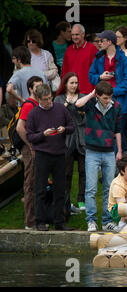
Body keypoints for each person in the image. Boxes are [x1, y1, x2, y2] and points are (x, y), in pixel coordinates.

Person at [75, 81, 123, 233]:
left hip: (109, 151)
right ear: (97, 96)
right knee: (91, 188)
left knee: (109, 188)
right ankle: (91, 220)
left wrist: (119, 151)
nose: (108, 100)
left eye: (110, 97)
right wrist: (91, 94)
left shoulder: (116, 107)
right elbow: (77, 104)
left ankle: (107, 220)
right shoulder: (90, 104)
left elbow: (118, 130)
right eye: (104, 98)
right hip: (92, 151)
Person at [26, 84, 75, 231]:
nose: (49, 101)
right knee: (40, 189)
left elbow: (72, 126)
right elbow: (30, 136)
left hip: (59, 153)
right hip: (42, 154)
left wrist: (64, 129)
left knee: (60, 189)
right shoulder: (34, 113)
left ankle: (59, 221)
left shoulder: (60, 108)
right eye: (46, 100)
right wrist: (43, 134)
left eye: (50, 98)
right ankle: (40, 221)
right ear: (39, 99)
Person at [89, 29, 127, 153]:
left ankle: (119, 163)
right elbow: (90, 76)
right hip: (101, 102)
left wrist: (112, 92)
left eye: (101, 41)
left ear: (109, 42)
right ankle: (106, 162)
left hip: (120, 102)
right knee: (105, 134)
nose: (99, 43)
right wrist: (100, 77)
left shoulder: (123, 59)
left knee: (119, 134)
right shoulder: (98, 58)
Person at [54, 72, 87, 211]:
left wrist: (83, 114)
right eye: (71, 83)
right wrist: (66, 103)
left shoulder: (83, 97)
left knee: (83, 170)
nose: (74, 85)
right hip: (66, 139)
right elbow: (56, 117)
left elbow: (89, 115)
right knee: (66, 172)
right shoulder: (59, 99)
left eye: (76, 83)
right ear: (65, 84)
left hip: (81, 137)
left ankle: (81, 199)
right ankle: (66, 200)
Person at [15, 76, 43, 230]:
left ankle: (38, 217)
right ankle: (30, 221)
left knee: (37, 182)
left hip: (38, 145)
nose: (40, 89)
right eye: (37, 86)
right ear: (31, 89)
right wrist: (31, 145)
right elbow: (20, 127)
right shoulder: (29, 105)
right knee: (30, 182)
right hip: (30, 147)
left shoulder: (39, 103)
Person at [62, 24, 98, 94]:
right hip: (71, 91)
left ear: (83, 34)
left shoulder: (92, 49)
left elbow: (96, 71)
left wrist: (94, 91)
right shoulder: (69, 50)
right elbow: (64, 72)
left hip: (87, 91)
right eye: (72, 35)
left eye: (77, 34)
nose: (74, 37)